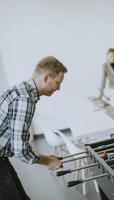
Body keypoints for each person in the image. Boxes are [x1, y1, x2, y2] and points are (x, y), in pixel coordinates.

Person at [0, 56, 67, 200]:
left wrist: (48, 157)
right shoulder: (25, 100)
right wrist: (49, 161)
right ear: (46, 77)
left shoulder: (18, 90)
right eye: (57, 83)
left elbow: (15, 140)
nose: (59, 88)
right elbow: (21, 151)